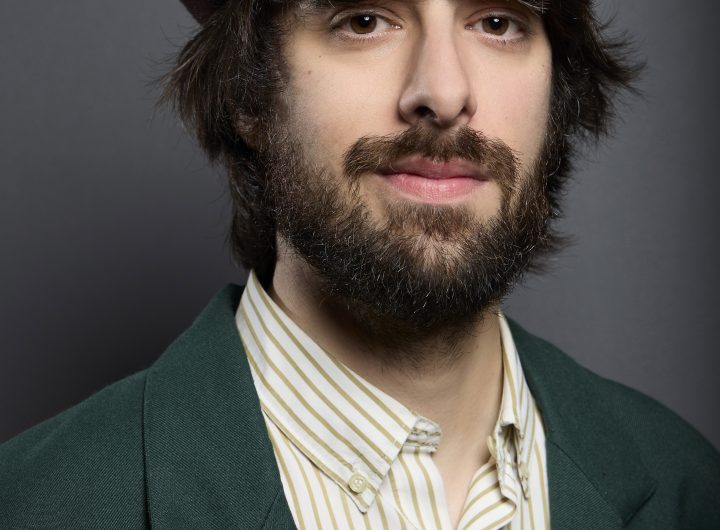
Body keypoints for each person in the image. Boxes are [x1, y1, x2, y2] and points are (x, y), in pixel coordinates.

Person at [1, 0, 718, 528]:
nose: (443, 92)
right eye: (364, 19)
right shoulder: (42, 505)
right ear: (249, 94)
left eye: (498, 21)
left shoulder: (686, 484)